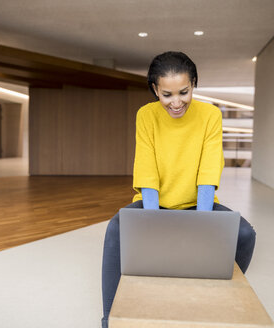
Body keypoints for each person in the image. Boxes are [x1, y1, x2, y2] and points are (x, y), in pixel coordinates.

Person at [100, 51, 256, 328]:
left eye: (183, 92)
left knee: (244, 234)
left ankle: (213, 292)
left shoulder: (210, 115)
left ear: (194, 84)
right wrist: (153, 223)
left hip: (198, 204)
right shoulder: (146, 115)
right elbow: (147, 171)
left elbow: (208, 170)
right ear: (155, 90)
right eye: (167, 95)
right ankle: (111, 318)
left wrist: (202, 222)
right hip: (154, 204)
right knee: (116, 229)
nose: (176, 102)